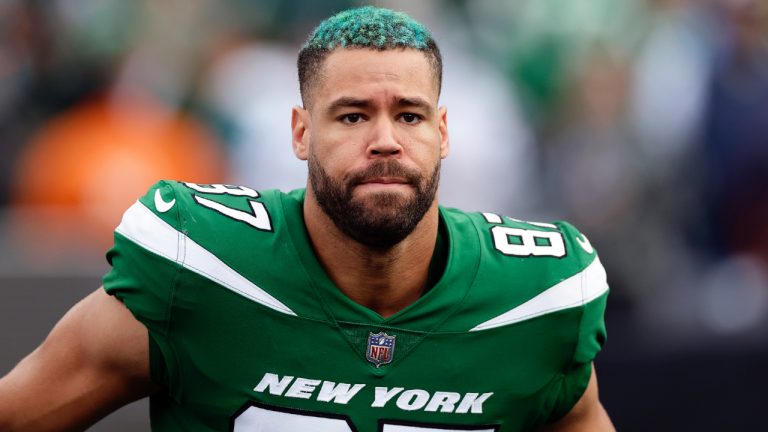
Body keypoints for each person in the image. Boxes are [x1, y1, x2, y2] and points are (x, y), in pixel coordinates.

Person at [0, 7, 613, 431]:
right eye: (351, 116)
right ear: (300, 132)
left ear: (444, 131)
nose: (384, 142)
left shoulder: (537, 301)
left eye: (409, 116)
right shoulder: (201, 267)